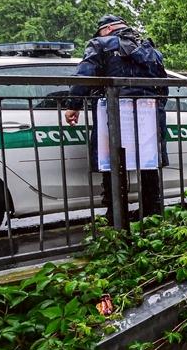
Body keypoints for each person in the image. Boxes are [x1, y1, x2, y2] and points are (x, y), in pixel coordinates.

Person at [64, 15, 169, 219]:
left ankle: (116, 215)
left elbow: (84, 76)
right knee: (147, 162)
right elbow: (163, 87)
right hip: (148, 116)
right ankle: (152, 213)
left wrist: (73, 105)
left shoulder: (100, 44)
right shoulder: (151, 50)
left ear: (108, 28)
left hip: (113, 116)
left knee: (112, 163)